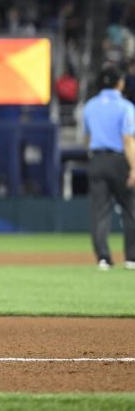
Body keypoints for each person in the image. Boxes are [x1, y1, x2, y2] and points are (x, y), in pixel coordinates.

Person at [82, 65, 135, 270]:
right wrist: (134, 167)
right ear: (119, 83)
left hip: (97, 160)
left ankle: (103, 259)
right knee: (130, 210)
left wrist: (93, 156)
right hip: (120, 160)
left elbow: (86, 138)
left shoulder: (89, 106)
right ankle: (131, 258)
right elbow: (128, 140)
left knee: (99, 212)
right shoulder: (126, 107)